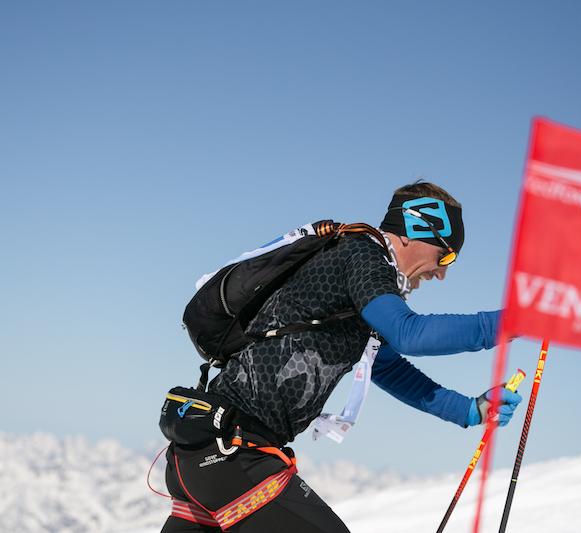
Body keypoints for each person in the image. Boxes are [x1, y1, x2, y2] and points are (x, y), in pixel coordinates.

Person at [161, 181, 522, 533]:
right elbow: (408, 334)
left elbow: (390, 369)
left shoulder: (359, 282)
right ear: (412, 231)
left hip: (204, 453)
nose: (441, 273)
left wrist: (470, 409)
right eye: (445, 255)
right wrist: (520, 320)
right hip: (235, 454)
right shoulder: (364, 254)